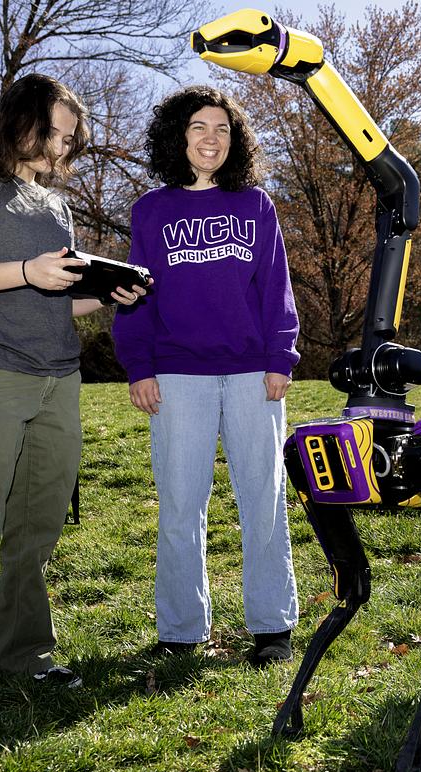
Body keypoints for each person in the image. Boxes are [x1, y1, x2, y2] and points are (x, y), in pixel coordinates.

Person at [0, 73, 148, 725]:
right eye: (52, 131)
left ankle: (27, 654)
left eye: (70, 139)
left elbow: (57, 292)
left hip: (57, 378)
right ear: (19, 119)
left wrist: (108, 293)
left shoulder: (54, 206)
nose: (59, 147)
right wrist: (25, 270)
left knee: (36, 528)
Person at [112, 85, 300, 666]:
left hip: (251, 374)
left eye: (222, 128)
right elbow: (133, 296)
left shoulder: (256, 205)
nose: (210, 138)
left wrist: (280, 357)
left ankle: (271, 626)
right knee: (180, 503)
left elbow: (275, 286)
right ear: (179, 136)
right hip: (177, 375)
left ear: (234, 140)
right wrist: (138, 366)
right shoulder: (151, 211)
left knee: (263, 498)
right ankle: (181, 630)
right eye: (199, 127)